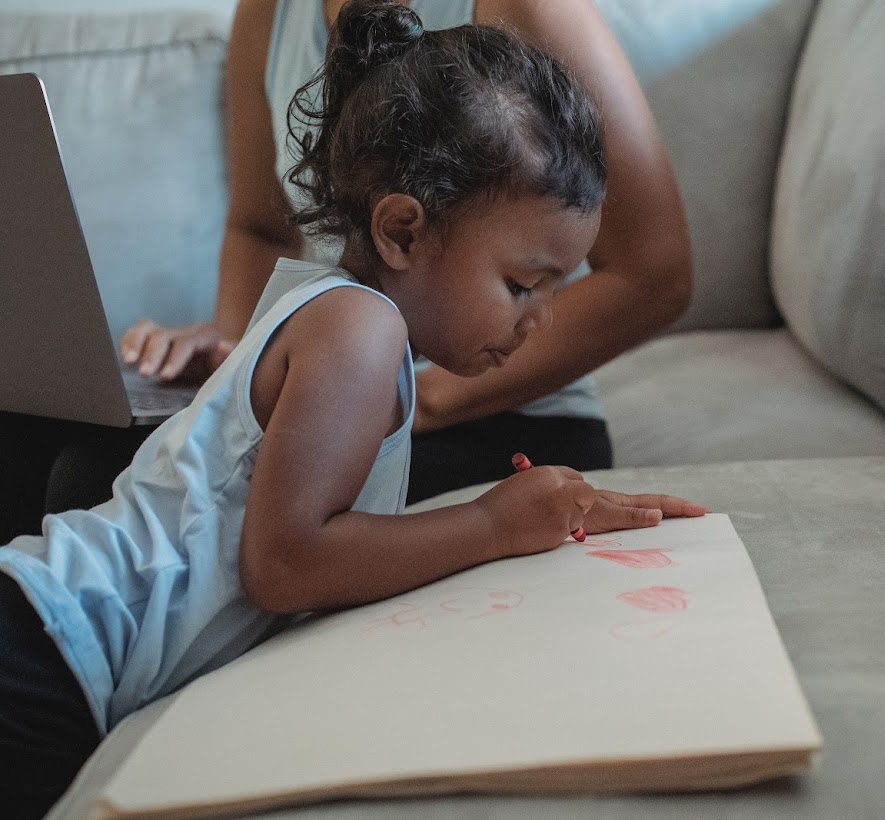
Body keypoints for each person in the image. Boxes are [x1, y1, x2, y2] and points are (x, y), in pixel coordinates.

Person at [0, 7, 707, 815]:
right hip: (46, 659)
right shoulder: (361, 335)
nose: (540, 319)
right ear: (402, 230)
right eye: (521, 284)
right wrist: (494, 524)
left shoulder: (338, 313)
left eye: (553, 288)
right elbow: (286, 563)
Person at [113, 0, 692, 507]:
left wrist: (414, 403)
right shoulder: (268, 12)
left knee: (99, 477)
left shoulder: (529, 8)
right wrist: (236, 364)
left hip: (500, 417)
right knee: (79, 446)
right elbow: (261, 227)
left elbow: (655, 275)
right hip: (345, 388)